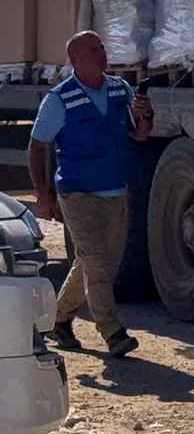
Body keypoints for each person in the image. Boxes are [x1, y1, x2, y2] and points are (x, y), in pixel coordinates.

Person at [27, 31, 154, 359]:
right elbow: (38, 146)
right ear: (76, 60)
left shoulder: (118, 90)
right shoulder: (60, 99)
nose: (102, 54)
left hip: (116, 190)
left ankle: (57, 320)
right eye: (94, 50)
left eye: (102, 48)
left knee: (95, 263)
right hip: (78, 193)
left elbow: (140, 135)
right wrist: (43, 195)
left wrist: (146, 114)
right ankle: (113, 333)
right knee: (97, 264)